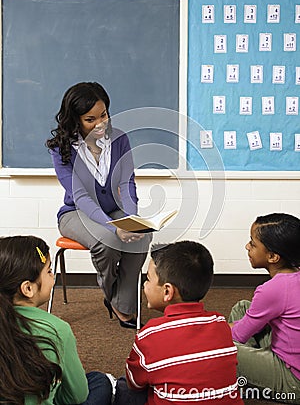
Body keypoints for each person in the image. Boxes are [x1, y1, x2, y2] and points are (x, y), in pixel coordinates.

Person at [46, 82, 152, 329]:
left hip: (112, 208)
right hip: (75, 213)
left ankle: (122, 303)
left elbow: (127, 183)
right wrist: (115, 228)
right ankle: (113, 295)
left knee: (143, 237)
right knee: (107, 241)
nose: (100, 123)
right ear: (75, 120)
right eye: (90, 119)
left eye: (103, 115)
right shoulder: (60, 149)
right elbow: (80, 196)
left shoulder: (119, 140)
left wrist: (132, 220)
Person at [115, 241, 243, 404]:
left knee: (120, 386)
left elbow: (134, 382)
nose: (145, 285)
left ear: (167, 291)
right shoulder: (220, 323)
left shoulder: (150, 333)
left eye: (148, 279)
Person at [0, 235, 112, 405]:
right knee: (100, 382)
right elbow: (77, 396)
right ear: (28, 288)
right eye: (49, 271)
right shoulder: (57, 329)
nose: (53, 277)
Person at [229, 213, 300, 403]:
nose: (247, 246)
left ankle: (247, 371)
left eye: (252, 243)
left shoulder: (273, 289)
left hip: (294, 380)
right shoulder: (294, 276)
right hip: (290, 352)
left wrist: (209, 327)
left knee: (223, 349)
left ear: (273, 256)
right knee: (242, 307)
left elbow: (237, 335)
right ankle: (251, 362)